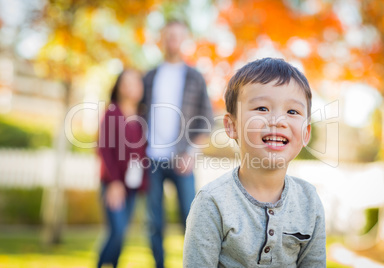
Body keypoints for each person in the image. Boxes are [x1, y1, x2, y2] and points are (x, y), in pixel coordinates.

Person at [183, 58, 326, 267]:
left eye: (292, 111)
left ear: (306, 133)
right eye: (261, 108)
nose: (278, 120)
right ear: (231, 126)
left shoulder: (309, 201)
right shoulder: (212, 203)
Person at [142, 20, 214, 268]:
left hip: (183, 159)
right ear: (162, 39)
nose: (173, 40)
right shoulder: (149, 76)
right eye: (168, 35)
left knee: (190, 219)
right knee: (154, 222)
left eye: (177, 35)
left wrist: (191, 153)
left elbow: (207, 119)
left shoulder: (195, 76)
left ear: (184, 40)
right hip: (150, 159)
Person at [97, 69, 147, 268]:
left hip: (133, 186)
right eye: (126, 82)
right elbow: (104, 150)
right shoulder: (112, 113)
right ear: (118, 87)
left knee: (121, 235)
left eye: (135, 82)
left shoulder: (142, 116)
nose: (131, 86)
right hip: (113, 184)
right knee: (116, 231)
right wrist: (114, 182)